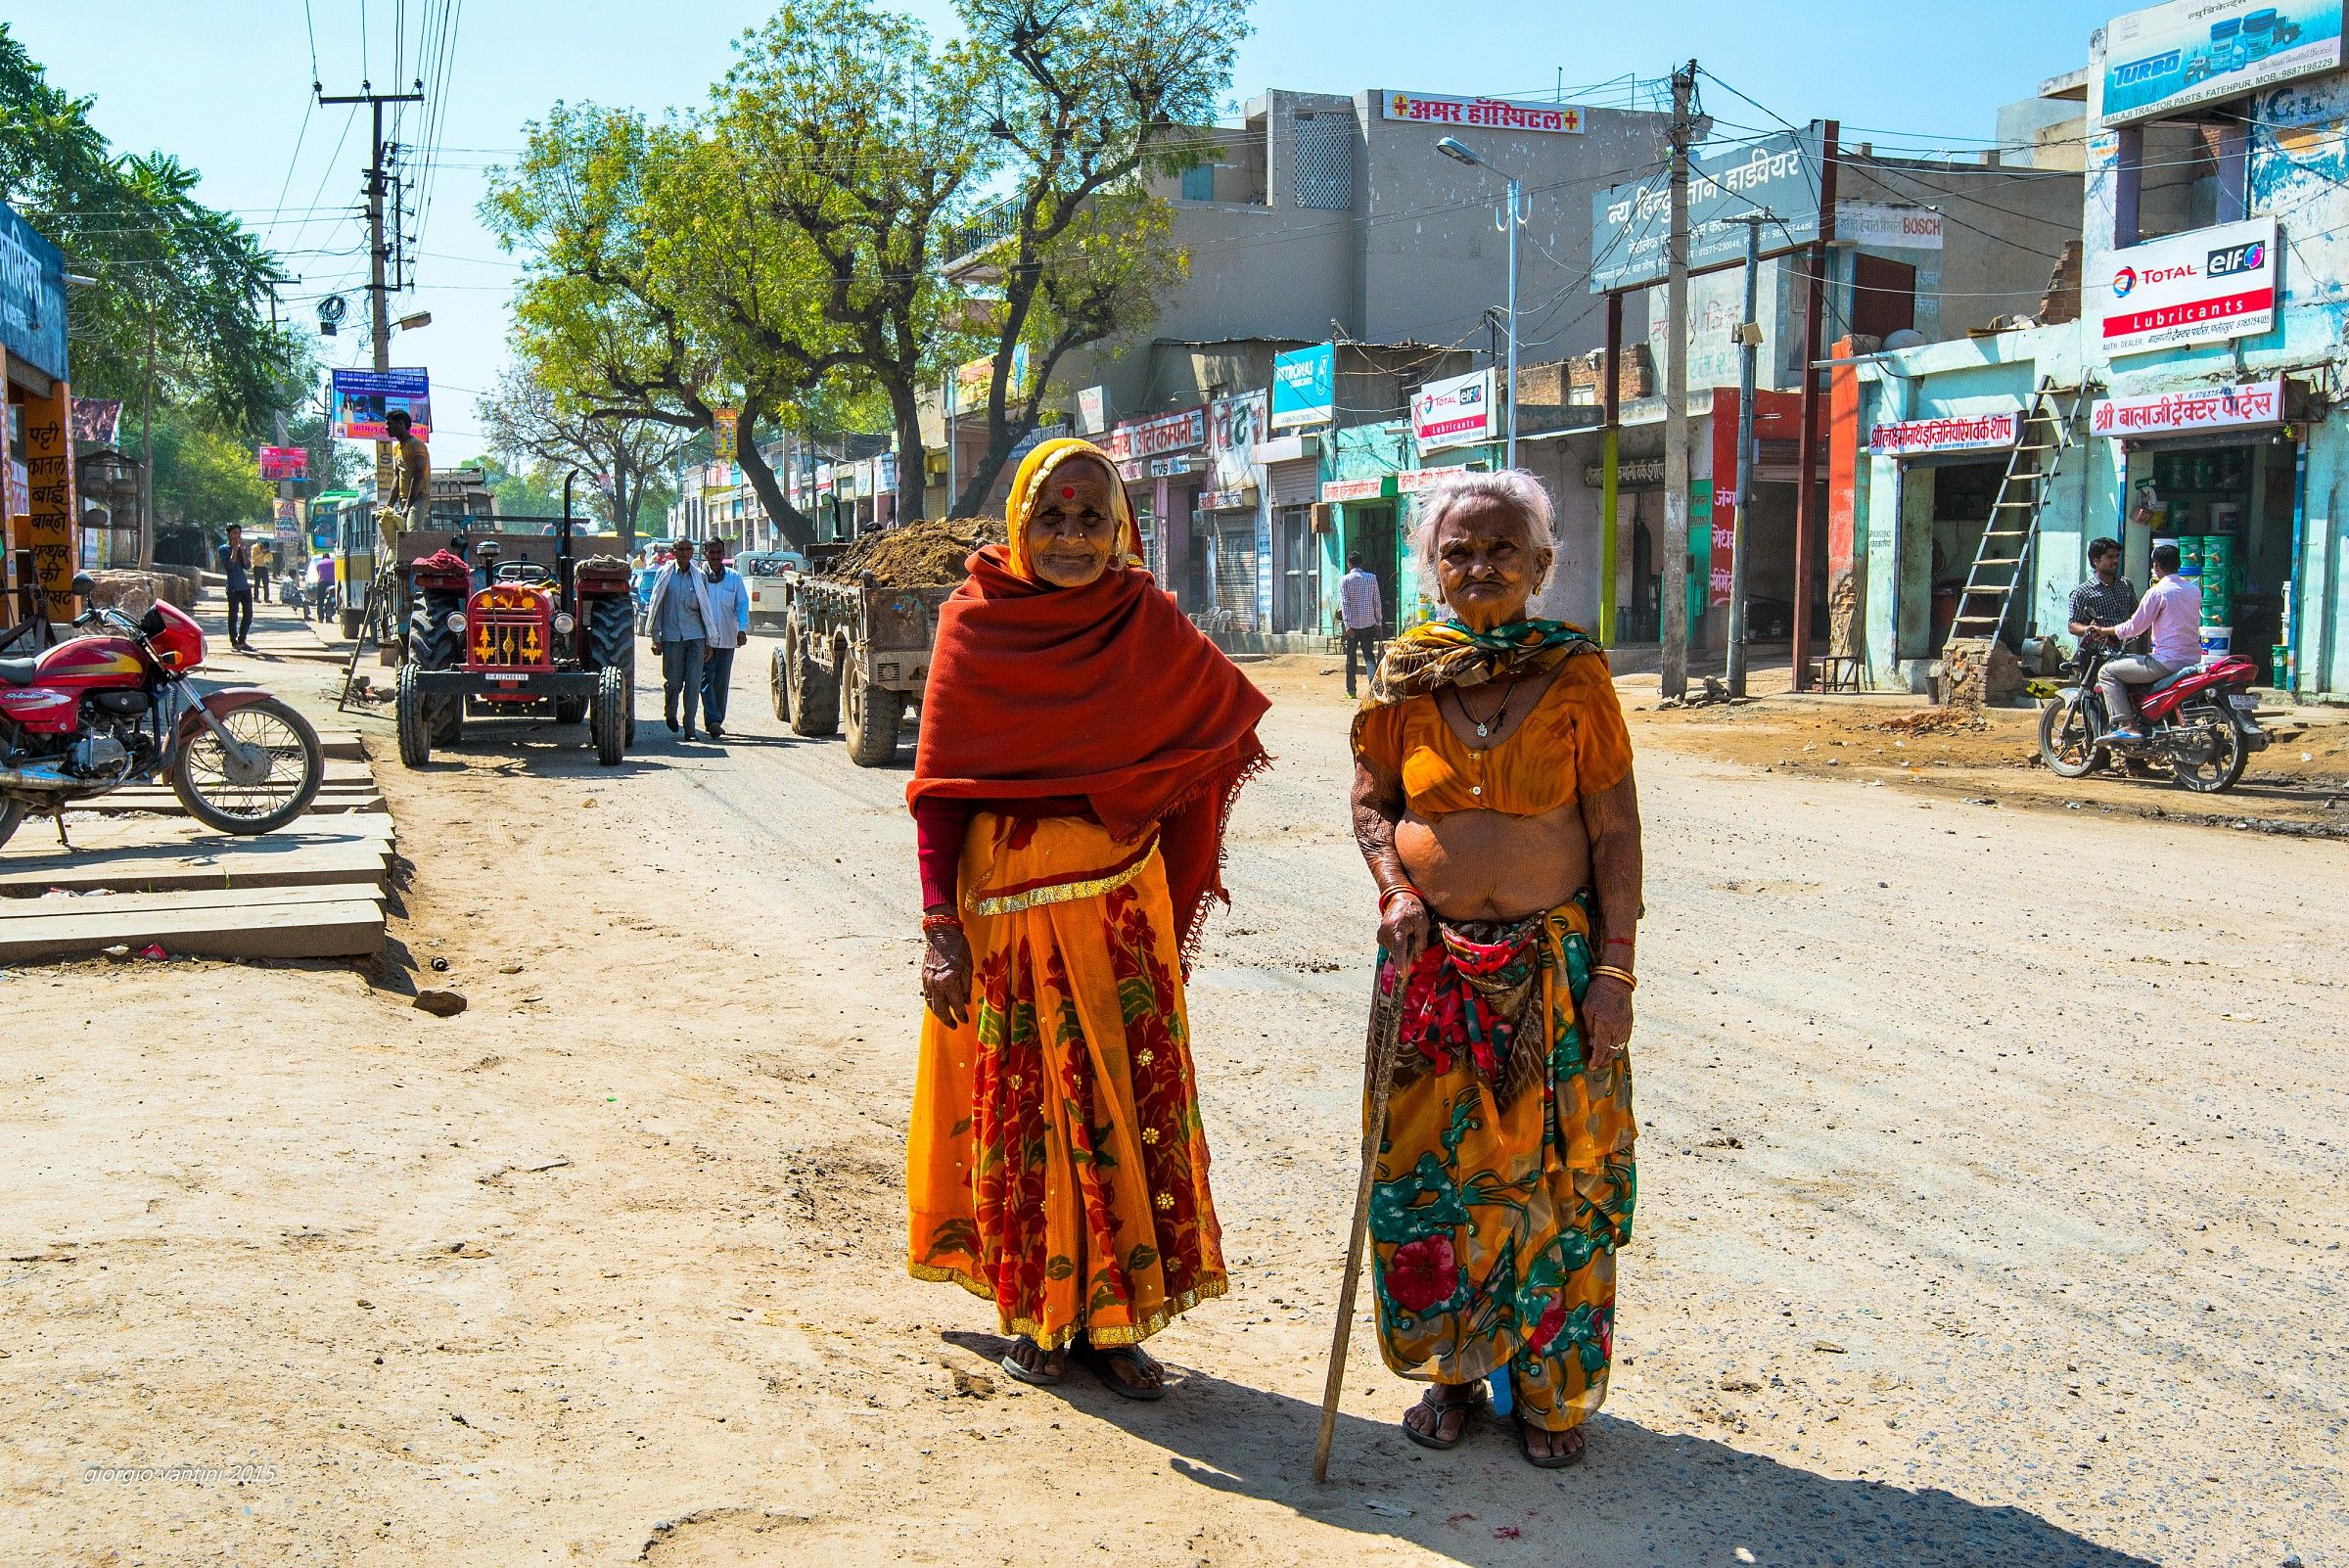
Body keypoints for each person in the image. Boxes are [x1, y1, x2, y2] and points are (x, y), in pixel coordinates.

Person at [906, 437, 1269, 1400]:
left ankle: (1114, 1327)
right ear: (1020, 525)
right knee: (1027, 1113)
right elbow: (940, 794)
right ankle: (1036, 1308)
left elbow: (1217, 730)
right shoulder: (975, 626)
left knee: (1122, 1107)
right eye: (1052, 518)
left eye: (1090, 519)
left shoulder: (1146, 621)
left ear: (1121, 529)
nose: (1072, 537)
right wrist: (940, 929)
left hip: (1120, 917)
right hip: (1011, 924)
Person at [1348, 469, 1640, 1469]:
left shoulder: (1576, 677)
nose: (1480, 566)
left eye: (1502, 549)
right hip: (1431, 971)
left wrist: (1617, 973)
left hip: (1553, 975)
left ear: (1542, 566)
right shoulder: (1404, 673)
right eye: (1459, 551)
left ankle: (1552, 1394)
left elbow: (1615, 832)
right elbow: (1371, 802)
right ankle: (1456, 1375)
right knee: (1436, 1182)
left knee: (1551, 1184)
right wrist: (1395, 888)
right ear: (1431, 566)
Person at [2096, 540, 2203, 740]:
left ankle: (2127, 724)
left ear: (2156, 566)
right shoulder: (2193, 590)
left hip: (2165, 662)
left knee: (2107, 671)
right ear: (2178, 564)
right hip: (2192, 661)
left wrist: (2104, 630)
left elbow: (2134, 628)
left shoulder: (2157, 592)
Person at [643, 537, 714, 738]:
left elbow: (706, 610)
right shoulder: (664, 574)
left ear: (692, 553)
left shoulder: (699, 576)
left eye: (688, 549)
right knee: (674, 682)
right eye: (681, 549)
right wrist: (655, 637)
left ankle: (689, 727)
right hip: (672, 637)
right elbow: (657, 605)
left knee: (693, 684)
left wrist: (709, 640)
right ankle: (670, 712)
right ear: (673, 552)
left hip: (696, 637)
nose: (684, 553)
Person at [698, 537, 750, 740]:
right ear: (705, 554)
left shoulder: (734, 578)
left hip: (728, 638)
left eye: (719, 552)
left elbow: (742, 605)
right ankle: (712, 720)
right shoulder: (699, 577)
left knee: (721, 681)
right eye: (711, 553)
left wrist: (742, 629)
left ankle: (717, 718)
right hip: (705, 639)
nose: (715, 556)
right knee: (706, 679)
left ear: (723, 553)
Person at [2067, 535, 2140, 664]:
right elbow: (2073, 626)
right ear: (2096, 561)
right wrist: (2090, 629)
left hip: (2127, 649)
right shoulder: (2083, 592)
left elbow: (2136, 614)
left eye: (2117, 556)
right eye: (2110, 557)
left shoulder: (2126, 584)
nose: (2115, 561)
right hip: (2099, 653)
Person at [1340, 551, 1385, 699]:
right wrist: (1378, 622)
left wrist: (1347, 625)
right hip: (1369, 624)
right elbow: (1377, 602)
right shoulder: (1372, 578)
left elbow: (1345, 604)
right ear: (1361, 563)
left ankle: (1351, 691)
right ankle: (1373, 687)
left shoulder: (1345, 580)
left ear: (1349, 564)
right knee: (1369, 657)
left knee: (1351, 658)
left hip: (1352, 626)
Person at [384, 409, 432, 542]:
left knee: (412, 534)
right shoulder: (396, 449)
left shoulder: (416, 445)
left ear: (401, 424)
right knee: (401, 538)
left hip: (419, 498)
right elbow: (397, 477)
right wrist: (388, 507)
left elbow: (418, 476)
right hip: (403, 499)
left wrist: (408, 506)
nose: (386, 428)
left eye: (389, 424)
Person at [217, 525, 253, 651]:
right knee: (233, 615)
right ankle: (234, 642)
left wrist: (242, 550)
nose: (236, 536)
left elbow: (247, 565)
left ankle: (242, 640)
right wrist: (234, 549)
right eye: (234, 533)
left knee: (248, 614)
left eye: (238, 533)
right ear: (228, 534)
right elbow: (230, 566)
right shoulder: (223, 549)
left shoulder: (241, 549)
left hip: (244, 587)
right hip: (233, 588)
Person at [311, 552, 336, 623]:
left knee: (320, 601)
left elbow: (319, 573)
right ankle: (329, 618)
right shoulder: (333, 563)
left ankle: (320, 618)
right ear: (328, 557)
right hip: (331, 583)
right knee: (330, 600)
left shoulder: (319, 564)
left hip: (321, 583)